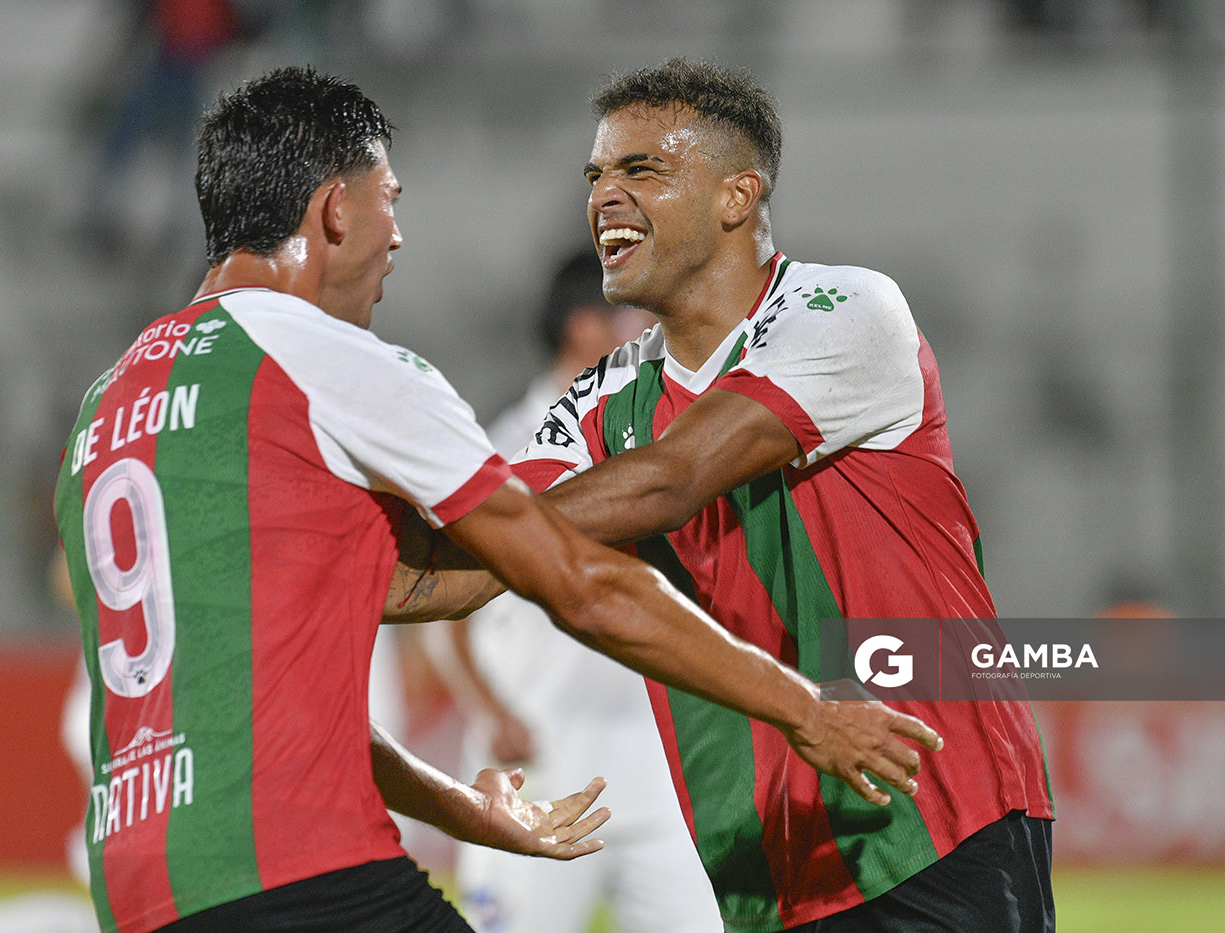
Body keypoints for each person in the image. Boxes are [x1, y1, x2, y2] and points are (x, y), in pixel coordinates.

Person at [53, 66, 940, 933]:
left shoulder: (108, 408)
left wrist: (457, 809)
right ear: (335, 208)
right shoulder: (330, 364)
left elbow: (256, 700)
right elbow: (582, 586)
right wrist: (803, 710)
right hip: (307, 867)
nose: (396, 235)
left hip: (142, 885)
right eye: (389, 198)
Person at [411, 59, 1055, 932]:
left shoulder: (848, 311)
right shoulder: (603, 397)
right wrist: (313, 581)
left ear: (736, 195)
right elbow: (462, 568)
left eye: (641, 170)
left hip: (931, 814)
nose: (604, 196)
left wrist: (502, 533)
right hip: (769, 863)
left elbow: (671, 482)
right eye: (595, 175)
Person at [443, 251, 720, 933]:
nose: (648, 331)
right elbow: (445, 606)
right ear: (582, 329)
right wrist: (490, 710)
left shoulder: (659, 446)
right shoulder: (503, 451)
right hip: (542, 756)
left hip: (656, 760)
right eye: (631, 313)